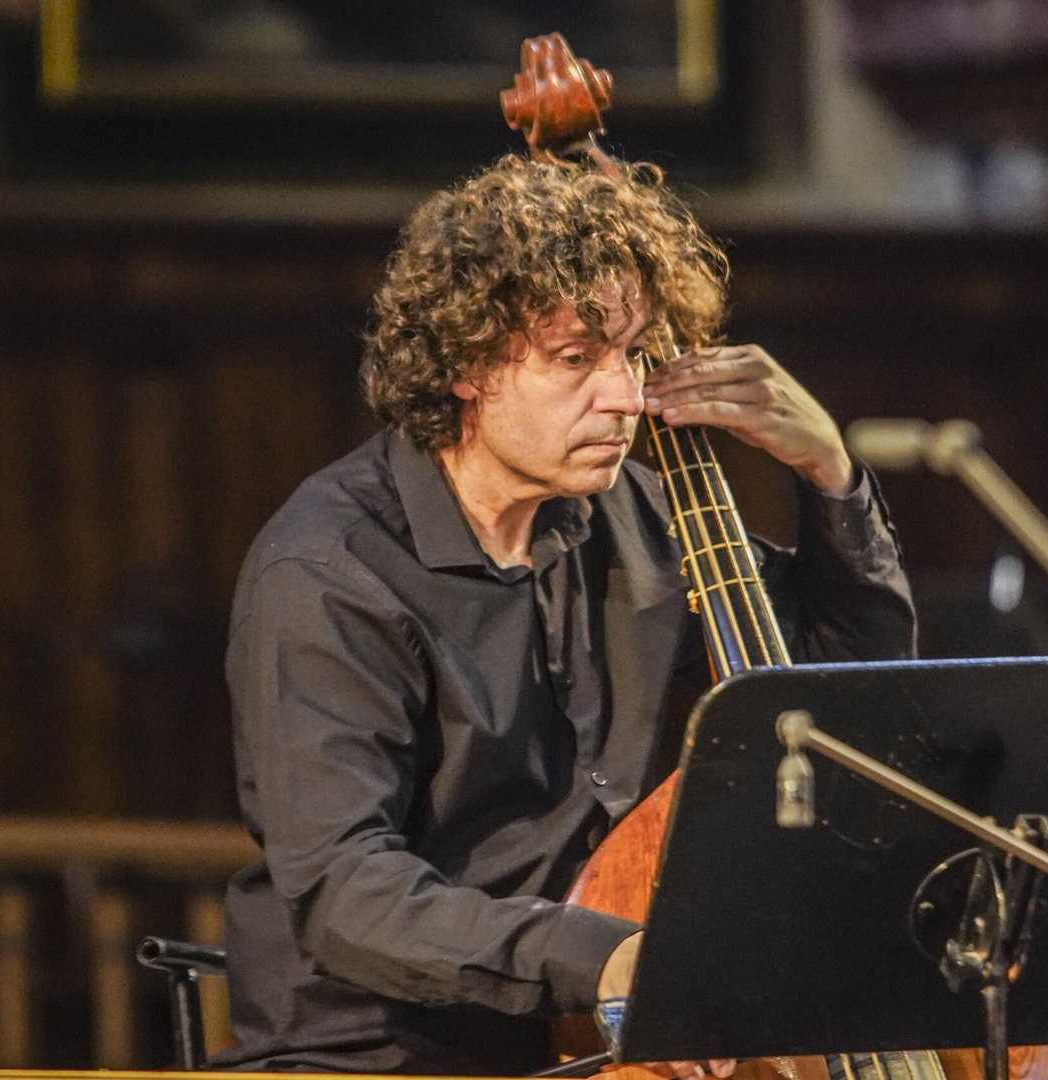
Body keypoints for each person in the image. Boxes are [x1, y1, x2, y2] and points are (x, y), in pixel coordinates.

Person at [215, 155, 916, 1075]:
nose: (625, 395)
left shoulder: (633, 511)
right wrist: (602, 956)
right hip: (384, 1056)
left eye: (631, 354)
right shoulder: (327, 571)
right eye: (577, 359)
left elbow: (837, 693)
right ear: (467, 365)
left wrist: (830, 477)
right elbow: (347, 888)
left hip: (593, 1037)